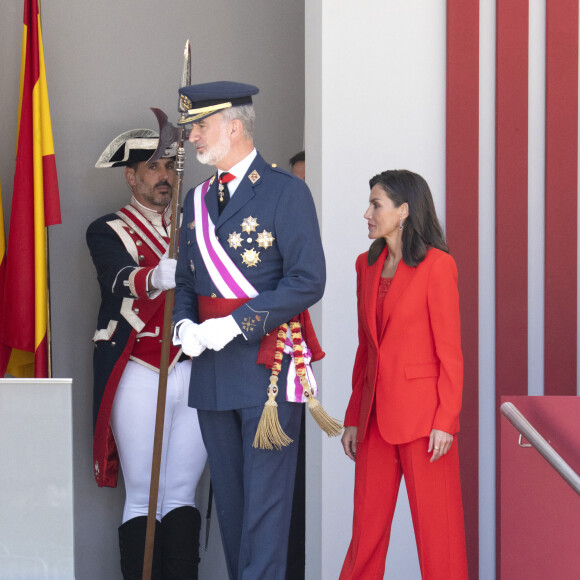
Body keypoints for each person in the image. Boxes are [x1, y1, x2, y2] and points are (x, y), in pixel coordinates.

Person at [171, 81, 326, 580]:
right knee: (235, 514)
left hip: (267, 371)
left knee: (264, 512)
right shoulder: (195, 200)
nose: (193, 136)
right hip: (213, 373)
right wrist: (184, 325)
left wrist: (236, 324)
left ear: (233, 126)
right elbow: (187, 279)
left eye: (201, 126)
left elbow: (308, 280)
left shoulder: (286, 191)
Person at [87, 129, 207, 580]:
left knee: (181, 492)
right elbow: (117, 277)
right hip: (139, 368)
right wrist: (156, 277)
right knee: (142, 494)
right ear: (131, 177)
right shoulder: (107, 228)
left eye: (169, 168)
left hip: (191, 369)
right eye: (152, 167)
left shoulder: (196, 229)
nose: (163, 177)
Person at [340, 170, 468, 580]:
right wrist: (353, 417)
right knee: (365, 535)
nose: (367, 213)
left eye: (376, 204)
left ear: (404, 211)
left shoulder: (438, 265)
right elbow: (366, 349)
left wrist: (446, 420)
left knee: (438, 537)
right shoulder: (365, 265)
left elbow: (450, 353)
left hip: (425, 424)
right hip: (374, 419)